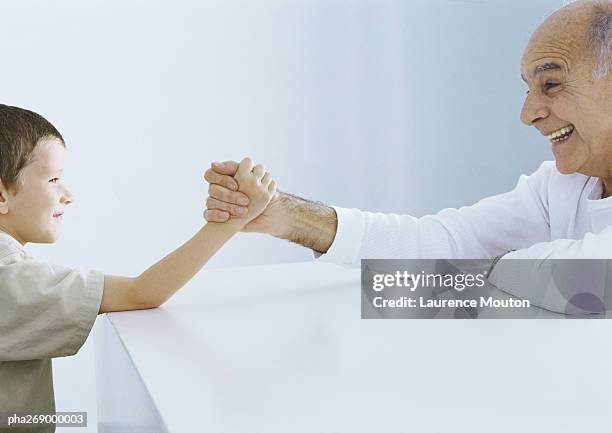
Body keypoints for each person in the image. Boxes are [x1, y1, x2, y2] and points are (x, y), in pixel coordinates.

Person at [203, 0, 612, 266]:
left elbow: (567, 285)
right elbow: (444, 244)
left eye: (551, 84)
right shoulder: (561, 188)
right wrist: (286, 216)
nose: (528, 114)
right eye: (529, 89)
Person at [0, 104, 276, 432]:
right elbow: (141, 293)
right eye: (54, 179)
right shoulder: (12, 278)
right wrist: (233, 220)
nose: (68, 195)